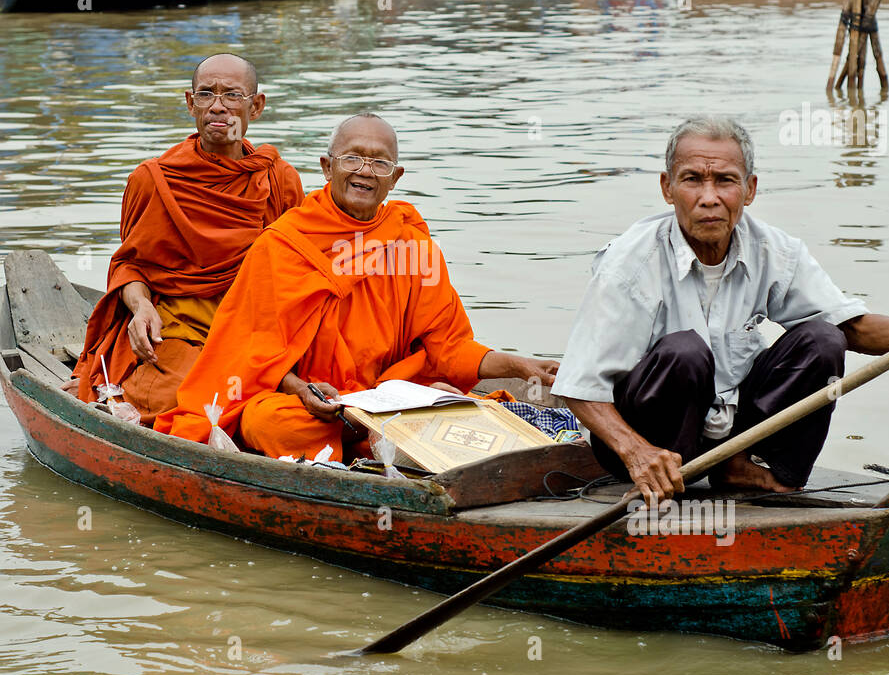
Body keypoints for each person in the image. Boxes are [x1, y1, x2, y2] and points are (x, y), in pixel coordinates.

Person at [552, 116, 889, 504]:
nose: (709, 197)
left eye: (725, 180)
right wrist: (637, 453)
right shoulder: (629, 264)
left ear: (750, 189)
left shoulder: (775, 251)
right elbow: (579, 384)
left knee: (822, 338)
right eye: (692, 180)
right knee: (685, 351)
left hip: (728, 431)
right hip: (654, 439)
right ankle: (668, 474)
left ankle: (745, 468)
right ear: (668, 189)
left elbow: (851, 327)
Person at [156, 112, 559, 461]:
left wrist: (519, 365)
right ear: (327, 167)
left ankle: (367, 440)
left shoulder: (412, 243)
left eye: (380, 163)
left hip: (385, 400)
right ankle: (366, 446)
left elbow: (448, 348)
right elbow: (249, 353)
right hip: (310, 405)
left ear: (395, 178)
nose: (365, 171)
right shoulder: (282, 244)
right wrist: (302, 389)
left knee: (443, 397)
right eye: (353, 158)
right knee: (271, 423)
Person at [68, 53, 304, 425]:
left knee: (283, 410)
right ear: (190, 103)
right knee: (175, 403)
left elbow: (294, 275)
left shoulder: (278, 179)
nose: (218, 107)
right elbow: (131, 265)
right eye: (206, 94)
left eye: (232, 96)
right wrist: (142, 308)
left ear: (255, 107)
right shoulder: (154, 179)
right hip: (179, 330)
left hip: (252, 333)